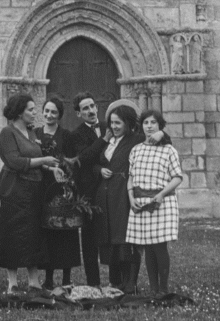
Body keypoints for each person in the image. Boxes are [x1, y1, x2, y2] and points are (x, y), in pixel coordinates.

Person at [0, 94, 63, 295]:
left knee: (34, 234)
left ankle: (34, 281)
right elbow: (15, 162)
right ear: (19, 111)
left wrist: (52, 169)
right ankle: (13, 283)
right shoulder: (7, 133)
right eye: (31, 109)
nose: (35, 113)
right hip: (13, 190)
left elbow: (35, 160)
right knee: (13, 233)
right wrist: (44, 160)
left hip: (34, 190)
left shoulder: (32, 133)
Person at [125, 110, 184, 296]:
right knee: (147, 245)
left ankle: (163, 289)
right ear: (141, 126)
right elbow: (131, 178)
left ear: (160, 126)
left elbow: (177, 177)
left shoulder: (169, 150)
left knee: (159, 246)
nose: (149, 126)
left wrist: (161, 194)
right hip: (141, 202)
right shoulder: (136, 150)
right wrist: (131, 197)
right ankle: (153, 288)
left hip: (161, 202)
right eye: (146, 122)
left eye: (153, 122)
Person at [91, 103, 144, 292]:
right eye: (111, 123)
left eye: (118, 123)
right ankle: (115, 280)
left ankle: (130, 282)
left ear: (128, 123)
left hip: (123, 193)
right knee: (109, 238)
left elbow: (163, 140)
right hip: (104, 195)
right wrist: (99, 169)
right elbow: (94, 162)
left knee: (126, 237)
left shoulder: (137, 139)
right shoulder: (107, 141)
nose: (113, 127)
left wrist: (161, 134)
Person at [34, 95, 81, 293]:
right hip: (42, 187)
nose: (49, 115)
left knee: (66, 232)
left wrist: (68, 180)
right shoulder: (35, 133)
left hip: (62, 187)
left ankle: (67, 277)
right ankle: (48, 278)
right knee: (47, 233)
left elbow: (71, 162)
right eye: (47, 111)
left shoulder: (67, 135)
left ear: (59, 115)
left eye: (54, 112)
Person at [62, 92, 106, 287]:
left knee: (113, 236)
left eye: (92, 106)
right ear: (79, 114)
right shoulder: (76, 135)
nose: (90, 111)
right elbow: (85, 157)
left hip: (111, 188)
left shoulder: (109, 126)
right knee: (89, 241)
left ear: (97, 107)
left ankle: (117, 280)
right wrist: (104, 139)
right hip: (89, 192)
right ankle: (94, 283)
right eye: (85, 109)